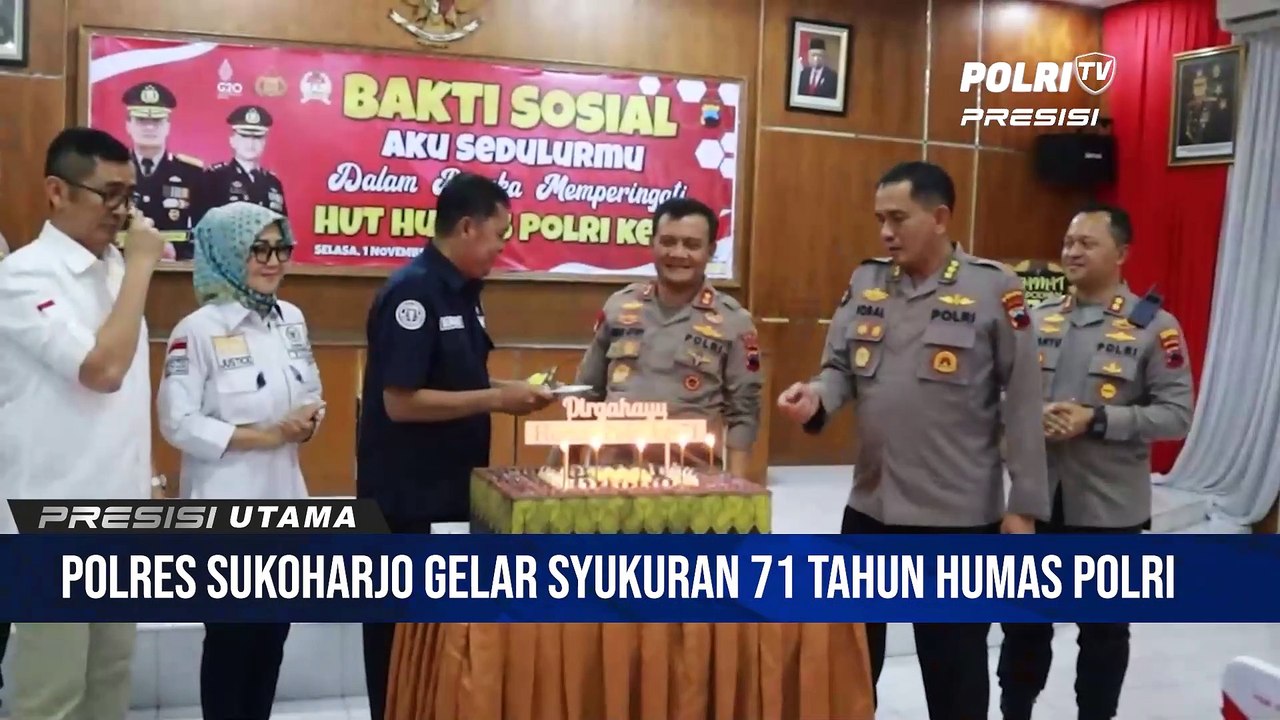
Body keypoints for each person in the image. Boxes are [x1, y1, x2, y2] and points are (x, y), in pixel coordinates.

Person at [775, 161, 1050, 720]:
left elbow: (1023, 400)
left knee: (955, 673)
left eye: (898, 218)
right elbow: (839, 369)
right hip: (871, 506)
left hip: (955, 517)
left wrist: (1023, 506)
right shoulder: (867, 282)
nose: (885, 232)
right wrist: (817, 396)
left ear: (940, 217)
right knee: (851, 664)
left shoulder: (993, 288)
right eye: (880, 219)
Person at [356, 171, 553, 720]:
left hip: (447, 496)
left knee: (433, 643)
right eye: (499, 234)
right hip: (403, 504)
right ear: (467, 227)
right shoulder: (413, 293)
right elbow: (401, 402)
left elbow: (455, 379)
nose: (502, 248)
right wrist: (497, 399)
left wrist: (511, 391)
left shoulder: (463, 293)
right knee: (396, 641)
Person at [997, 203, 1195, 720]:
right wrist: (1031, 414)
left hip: (1109, 510)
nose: (1072, 252)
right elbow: (1001, 396)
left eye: (1087, 243)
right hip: (1038, 502)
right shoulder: (1037, 319)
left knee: (1103, 634)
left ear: (1122, 253)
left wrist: (1098, 419)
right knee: (1022, 628)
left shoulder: (1155, 328)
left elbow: (1177, 415)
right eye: (1069, 242)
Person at [0, 127, 167, 720]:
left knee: (109, 682)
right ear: (57, 191)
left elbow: (122, 398)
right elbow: (103, 370)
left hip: (119, 515)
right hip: (50, 523)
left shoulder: (117, 270)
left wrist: (147, 478)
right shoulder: (24, 276)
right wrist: (143, 266)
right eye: (109, 194)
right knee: (51, 696)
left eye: (130, 196)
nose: (122, 211)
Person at [156, 201, 322, 720]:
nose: (273, 261)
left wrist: (308, 421)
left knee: (271, 642)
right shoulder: (196, 329)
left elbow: (311, 392)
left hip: (285, 508)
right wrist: (264, 435)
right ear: (228, 253)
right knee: (232, 647)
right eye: (258, 250)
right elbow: (177, 423)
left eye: (281, 248)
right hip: (225, 516)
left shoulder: (291, 319)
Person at [567, 197, 762, 475]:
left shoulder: (734, 321)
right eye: (668, 242)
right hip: (612, 476)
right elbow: (585, 395)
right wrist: (563, 472)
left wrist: (736, 489)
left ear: (710, 250)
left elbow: (744, 414)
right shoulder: (619, 306)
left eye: (691, 245)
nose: (678, 253)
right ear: (653, 243)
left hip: (693, 480)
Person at [121, 81, 202, 261]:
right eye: (141, 120)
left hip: (176, 269)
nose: (149, 127)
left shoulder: (192, 174)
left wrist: (177, 252)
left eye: (157, 121)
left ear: (168, 125)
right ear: (128, 124)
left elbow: (201, 234)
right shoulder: (115, 169)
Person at [195, 105, 288, 228]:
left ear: (264, 141)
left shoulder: (273, 183)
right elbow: (202, 227)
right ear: (232, 140)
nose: (251, 143)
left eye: (257, 137)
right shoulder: (215, 178)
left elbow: (282, 227)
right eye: (244, 136)